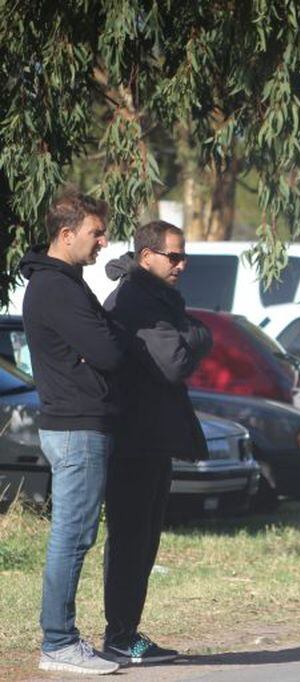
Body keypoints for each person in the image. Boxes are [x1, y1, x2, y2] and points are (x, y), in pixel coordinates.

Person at [19, 191, 126, 675]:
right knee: (73, 536)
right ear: (66, 235)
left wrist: (101, 346)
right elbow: (110, 353)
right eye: (95, 233)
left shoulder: (67, 283)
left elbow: (104, 342)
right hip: (76, 425)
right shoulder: (57, 288)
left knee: (75, 534)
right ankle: (59, 642)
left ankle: (60, 640)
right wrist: (100, 351)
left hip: (81, 422)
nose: (103, 241)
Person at [100, 220, 211, 664]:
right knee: (130, 540)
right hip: (133, 437)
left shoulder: (157, 297)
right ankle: (120, 635)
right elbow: (174, 361)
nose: (182, 265)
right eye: (174, 256)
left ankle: (128, 631)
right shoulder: (136, 298)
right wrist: (198, 333)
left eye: (185, 257)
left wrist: (191, 331)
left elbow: (180, 346)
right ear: (147, 256)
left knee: (144, 541)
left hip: (151, 437)